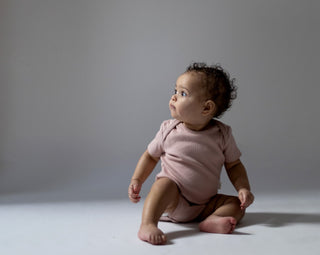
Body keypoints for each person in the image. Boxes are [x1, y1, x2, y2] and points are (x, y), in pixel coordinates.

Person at [128, 62, 254, 245]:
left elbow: (234, 165)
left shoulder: (222, 134)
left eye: (183, 93)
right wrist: (137, 180)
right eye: (175, 90)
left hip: (206, 204)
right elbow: (150, 156)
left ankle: (212, 220)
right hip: (175, 201)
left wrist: (243, 189)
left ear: (206, 108)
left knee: (237, 205)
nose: (174, 97)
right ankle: (148, 224)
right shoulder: (168, 129)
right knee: (164, 185)